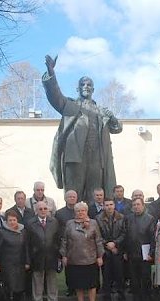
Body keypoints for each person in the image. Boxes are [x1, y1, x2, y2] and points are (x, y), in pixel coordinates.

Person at [43, 55, 123, 204]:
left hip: (97, 160)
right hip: (75, 158)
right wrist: (51, 73)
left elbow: (117, 129)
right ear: (78, 88)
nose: (86, 87)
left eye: (88, 85)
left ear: (93, 89)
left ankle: (94, 225)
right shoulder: (70, 106)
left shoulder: (101, 112)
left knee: (96, 196)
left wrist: (112, 117)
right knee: (74, 195)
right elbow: (55, 96)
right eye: (83, 84)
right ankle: (71, 224)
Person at [60, 202, 104, 301]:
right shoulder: (69, 224)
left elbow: (98, 241)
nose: (80, 213)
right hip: (74, 259)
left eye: (83, 210)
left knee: (91, 284)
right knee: (78, 284)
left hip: (90, 258)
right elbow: (64, 240)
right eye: (78, 211)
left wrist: (100, 256)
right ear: (75, 212)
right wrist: (63, 255)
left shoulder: (93, 223)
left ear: (87, 211)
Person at [0, 210, 30, 301]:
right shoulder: (1, 232)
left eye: (14, 220)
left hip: (20, 263)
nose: (12, 222)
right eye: (10, 220)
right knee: (9, 288)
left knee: (19, 287)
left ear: (17, 220)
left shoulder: (23, 231)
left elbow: (26, 248)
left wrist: (28, 261)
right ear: (6, 221)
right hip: (7, 264)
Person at [27, 201, 61, 301]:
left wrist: (58, 253)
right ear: (36, 210)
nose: (43, 211)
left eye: (45, 209)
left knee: (52, 281)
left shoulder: (54, 222)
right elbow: (28, 242)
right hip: (37, 256)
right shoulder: (31, 223)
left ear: (48, 210)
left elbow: (58, 238)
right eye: (40, 209)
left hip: (51, 255)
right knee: (37, 281)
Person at [96, 198, 127, 301]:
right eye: (107, 205)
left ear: (114, 205)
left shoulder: (121, 217)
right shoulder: (98, 218)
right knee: (106, 276)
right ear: (103, 206)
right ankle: (107, 299)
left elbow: (124, 233)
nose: (109, 207)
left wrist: (115, 243)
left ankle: (122, 298)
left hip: (117, 250)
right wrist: (108, 245)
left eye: (111, 204)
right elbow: (98, 235)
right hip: (105, 252)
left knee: (120, 276)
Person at [125, 198, 156, 301]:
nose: (136, 207)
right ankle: (136, 300)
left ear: (143, 206)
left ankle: (147, 300)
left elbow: (153, 238)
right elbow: (126, 236)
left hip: (145, 254)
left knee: (145, 278)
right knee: (134, 279)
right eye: (134, 205)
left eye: (138, 204)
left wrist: (151, 253)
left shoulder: (150, 219)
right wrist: (125, 251)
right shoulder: (128, 218)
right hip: (132, 253)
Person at [55, 190, 77, 295]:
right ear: (65, 198)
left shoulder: (80, 210)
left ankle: (79, 287)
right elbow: (56, 229)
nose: (72, 198)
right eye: (70, 197)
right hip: (66, 243)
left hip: (79, 243)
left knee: (79, 266)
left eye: (74, 197)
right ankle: (70, 288)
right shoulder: (59, 213)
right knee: (68, 268)